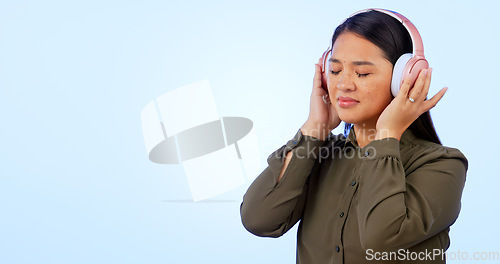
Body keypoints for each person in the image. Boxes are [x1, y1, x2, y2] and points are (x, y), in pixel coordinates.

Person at [240, 9, 468, 264]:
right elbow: (258, 220)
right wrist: (315, 127)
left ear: (405, 78)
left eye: (362, 73)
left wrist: (386, 136)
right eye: (335, 70)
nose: (344, 84)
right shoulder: (319, 155)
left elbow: (381, 238)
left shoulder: (442, 165)